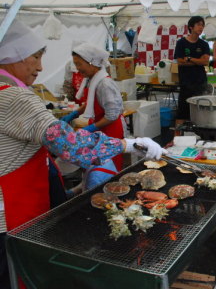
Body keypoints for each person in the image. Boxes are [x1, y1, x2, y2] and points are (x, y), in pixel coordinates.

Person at [0, 20, 166, 288]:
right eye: (35, 57)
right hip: (11, 214)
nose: (41, 67)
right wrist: (129, 145)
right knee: (19, 275)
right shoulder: (15, 98)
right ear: (13, 56)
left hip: (11, 206)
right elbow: (72, 146)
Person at [61, 42, 125, 171]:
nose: (77, 68)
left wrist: (91, 128)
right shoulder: (91, 79)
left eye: (79, 64)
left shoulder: (105, 84)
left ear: (91, 62)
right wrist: (74, 114)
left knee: (109, 167)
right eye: (75, 64)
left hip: (110, 130)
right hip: (99, 128)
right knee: (96, 165)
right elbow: (89, 102)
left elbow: (112, 115)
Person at [174, 16, 210, 121]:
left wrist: (189, 59)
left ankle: (197, 134)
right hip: (186, 83)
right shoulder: (181, 43)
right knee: (182, 112)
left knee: (200, 112)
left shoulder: (204, 44)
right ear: (191, 27)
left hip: (200, 83)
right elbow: (180, 62)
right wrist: (198, 61)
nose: (201, 27)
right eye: (198, 24)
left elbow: (205, 61)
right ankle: (177, 135)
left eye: (202, 25)